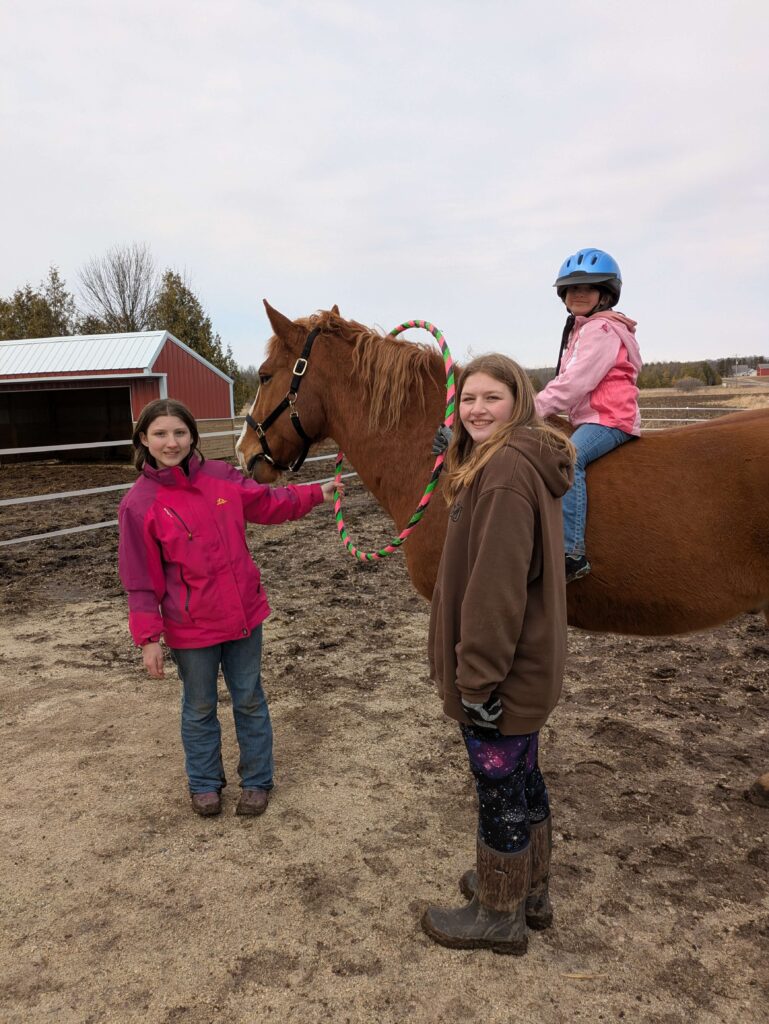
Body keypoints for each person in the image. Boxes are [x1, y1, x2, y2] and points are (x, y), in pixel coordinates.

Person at [118, 398, 342, 817]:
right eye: (161, 434)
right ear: (144, 440)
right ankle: (204, 784)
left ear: (193, 436)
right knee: (199, 706)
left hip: (242, 617)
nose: (172, 442)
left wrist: (316, 492)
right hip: (191, 627)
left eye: (180, 433)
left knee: (250, 699)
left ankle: (257, 781)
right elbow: (139, 581)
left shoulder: (221, 477)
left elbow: (268, 504)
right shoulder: (139, 505)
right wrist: (148, 638)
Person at [423, 354, 574, 956]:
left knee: (498, 793)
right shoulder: (513, 459)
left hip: (500, 678)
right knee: (524, 778)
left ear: (520, 401)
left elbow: (495, 589)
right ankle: (528, 888)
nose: (477, 409)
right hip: (526, 669)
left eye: (492, 398)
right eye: (468, 399)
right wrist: (458, 456)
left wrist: (478, 682)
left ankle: (498, 913)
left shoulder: (507, 472)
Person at [535, 247, 642, 582]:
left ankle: (572, 553)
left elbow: (575, 382)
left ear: (605, 295)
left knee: (569, 459)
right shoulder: (584, 329)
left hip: (608, 419)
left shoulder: (601, 330)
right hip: (592, 418)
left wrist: (530, 408)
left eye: (588, 288)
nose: (578, 294)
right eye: (572, 289)